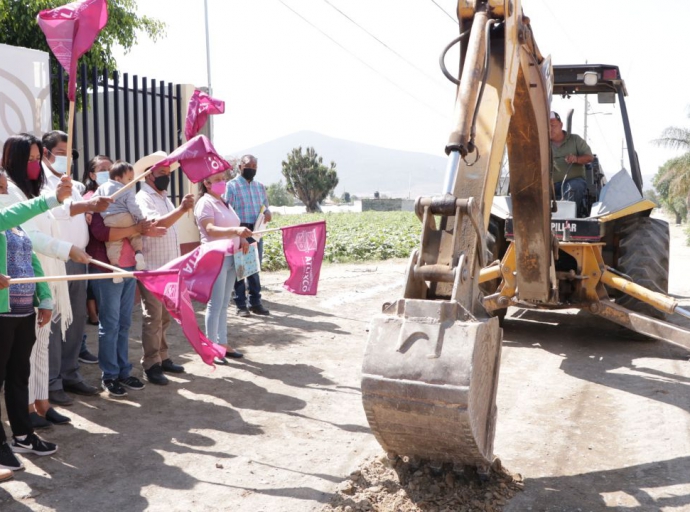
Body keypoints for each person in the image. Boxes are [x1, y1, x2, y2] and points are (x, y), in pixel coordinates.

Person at [0, 166, 74, 472]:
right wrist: (51, 200)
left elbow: (30, 259)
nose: (3, 177)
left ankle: (22, 435)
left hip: (22, 312)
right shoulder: (9, 217)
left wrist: (43, 298)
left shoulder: (14, 223)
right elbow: (12, 214)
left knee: (19, 377)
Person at [87, 204, 165, 397]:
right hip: (108, 270)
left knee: (124, 324)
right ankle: (110, 376)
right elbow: (102, 233)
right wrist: (134, 229)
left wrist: (142, 229)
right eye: (103, 171)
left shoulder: (128, 203)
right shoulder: (96, 202)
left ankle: (124, 372)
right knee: (110, 324)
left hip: (130, 268)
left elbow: (141, 225)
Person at [134, 151, 194, 385]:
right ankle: (151, 363)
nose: (165, 177)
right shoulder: (143, 198)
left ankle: (163, 355)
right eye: (161, 173)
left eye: (167, 174)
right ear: (149, 175)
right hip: (152, 268)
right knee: (153, 317)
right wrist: (180, 210)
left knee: (165, 316)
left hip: (169, 267)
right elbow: (156, 225)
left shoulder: (163, 196)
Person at [195, 170, 251, 364]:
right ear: (207, 183)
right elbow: (210, 229)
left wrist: (241, 238)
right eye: (217, 180)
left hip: (232, 257)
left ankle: (223, 343)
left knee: (225, 302)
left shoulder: (224, 202)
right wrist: (236, 231)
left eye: (223, 179)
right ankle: (211, 347)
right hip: (215, 258)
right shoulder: (205, 203)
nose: (222, 182)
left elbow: (233, 225)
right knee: (215, 303)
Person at [224, 154, 272, 317]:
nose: (251, 169)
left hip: (257, 230)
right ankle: (240, 304)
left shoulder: (260, 186)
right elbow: (227, 210)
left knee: (254, 268)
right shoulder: (231, 186)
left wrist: (267, 212)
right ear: (240, 167)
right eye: (247, 166)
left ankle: (255, 302)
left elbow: (265, 206)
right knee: (241, 267)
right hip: (240, 229)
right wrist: (238, 233)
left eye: (254, 166)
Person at [80, 155, 113, 361]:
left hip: (119, 262)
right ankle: (109, 370)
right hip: (99, 261)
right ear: (92, 174)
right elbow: (101, 233)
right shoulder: (89, 199)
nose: (108, 172)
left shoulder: (117, 194)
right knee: (109, 320)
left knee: (119, 321)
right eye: (102, 169)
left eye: (111, 168)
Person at [93, 161, 147, 275]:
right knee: (135, 235)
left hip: (109, 220)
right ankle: (138, 252)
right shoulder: (126, 190)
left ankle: (115, 266)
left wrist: (88, 213)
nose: (132, 182)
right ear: (118, 179)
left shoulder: (102, 187)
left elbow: (93, 201)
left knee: (113, 244)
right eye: (129, 179)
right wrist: (141, 218)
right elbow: (134, 207)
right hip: (125, 216)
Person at [549, 111, 594, 217]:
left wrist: (576, 159)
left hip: (572, 181)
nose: (550, 129)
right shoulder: (541, 142)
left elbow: (589, 157)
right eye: (547, 126)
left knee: (574, 187)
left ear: (561, 125)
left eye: (553, 125)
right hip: (549, 184)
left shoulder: (575, 140)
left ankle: (567, 218)